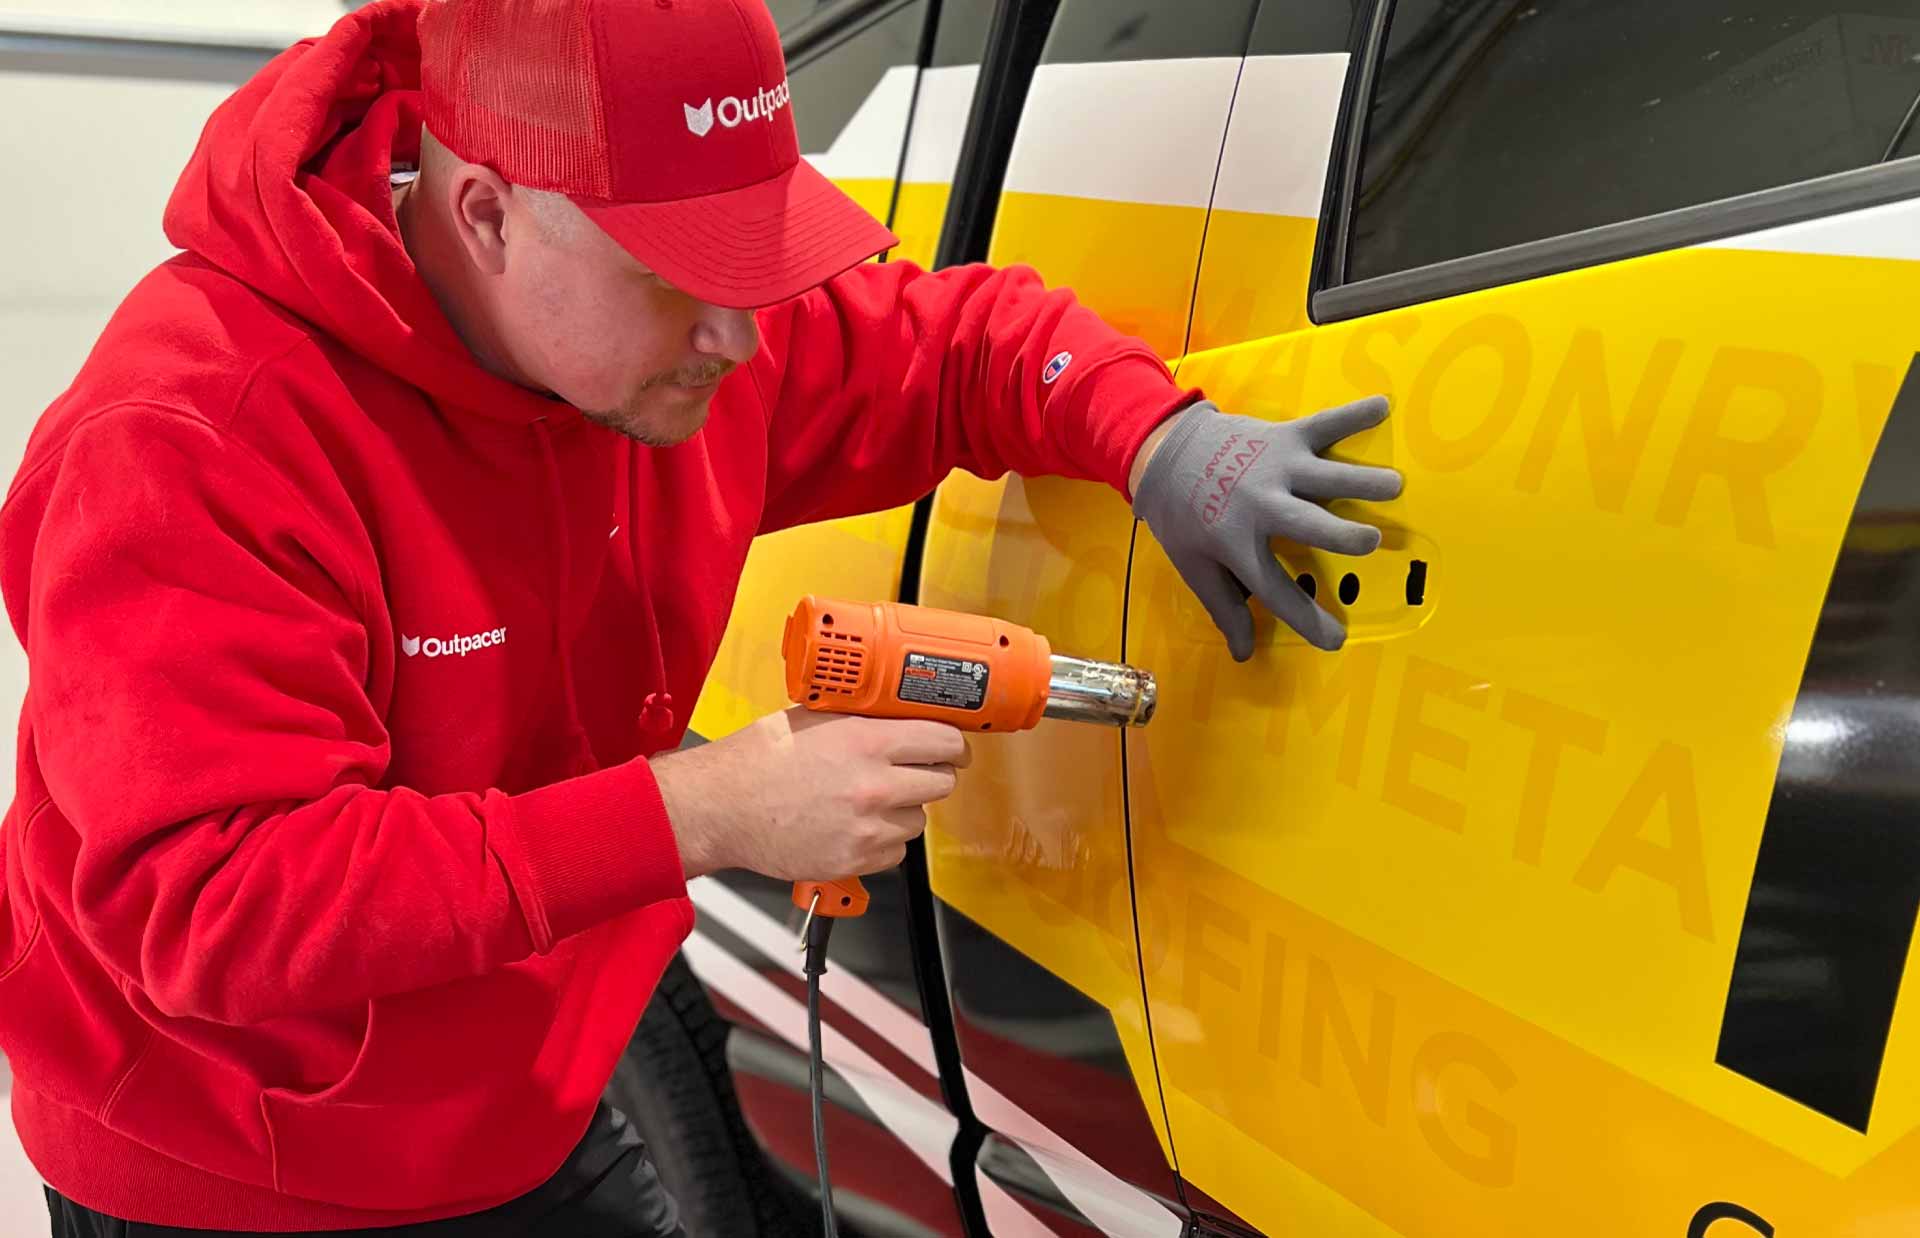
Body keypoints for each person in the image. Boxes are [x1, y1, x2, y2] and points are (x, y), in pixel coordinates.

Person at [0, 0, 1402, 1233]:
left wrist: (1156, 438)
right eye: (681, 276)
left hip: (526, 1105)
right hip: (242, 1166)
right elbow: (218, 905)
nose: (739, 337)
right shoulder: (195, 437)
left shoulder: (666, 348)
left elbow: (960, 342)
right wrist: (702, 811)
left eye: (752, 261)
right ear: (484, 210)